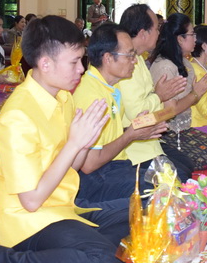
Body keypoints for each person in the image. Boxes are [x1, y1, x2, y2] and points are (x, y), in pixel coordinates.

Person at [0, 16, 130, 263]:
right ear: (45, 64)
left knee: (142, 210)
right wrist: (75, 144)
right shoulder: (17, 117)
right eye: (75, 62)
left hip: (64, 208)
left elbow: (72, 166)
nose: (81, 69)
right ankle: (2, 262)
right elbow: (31, 201)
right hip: (30, 222)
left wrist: (84, 142)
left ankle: (79, 247)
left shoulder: (63, 97)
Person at [72, 23, 168, 202]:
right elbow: (89, 164)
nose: (135, 61)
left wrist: (138, 131)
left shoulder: (111, 88)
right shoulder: (92, 96)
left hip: (115, 166)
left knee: (168, 180)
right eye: (130, 55)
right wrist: (130, 135)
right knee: (159, 192)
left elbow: (107, 138)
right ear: (108, 58)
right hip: (96, 177)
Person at [118, 4, 193, 182]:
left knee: (187, 166)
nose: (159, 33)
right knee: (181, 175)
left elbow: (161, 110)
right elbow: (138, 115)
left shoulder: (139, 59)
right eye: (157, 29)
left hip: (151, 140)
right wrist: (160, 96)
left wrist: (160, 100)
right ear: (143, 33)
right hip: (134, 147)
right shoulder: (126, 64)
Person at [149, 14, 207, 171]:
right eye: (192, 34)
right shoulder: (166, 67)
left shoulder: (184, 63)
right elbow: (169, 111)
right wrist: (196, 94)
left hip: (184, 129)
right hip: (168, 133)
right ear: (180, 39)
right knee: (205, 156)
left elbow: (191, 100)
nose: (195, 39)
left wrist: (197, 94)